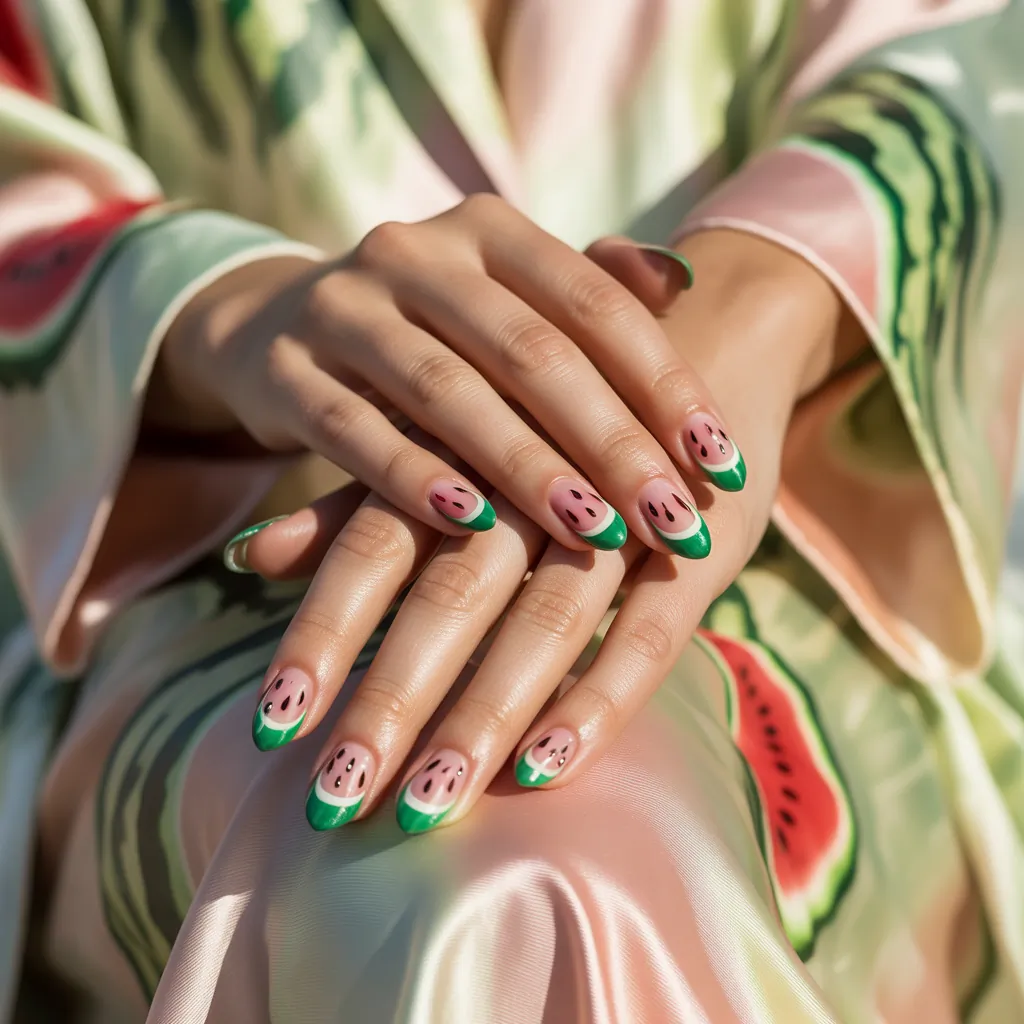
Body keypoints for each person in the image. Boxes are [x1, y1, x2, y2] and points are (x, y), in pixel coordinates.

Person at [1, 0, 1023, 1019]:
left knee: (567, 860)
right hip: (196, 594)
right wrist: (223, 309)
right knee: (423, 865)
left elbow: (977, 61)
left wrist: (765, 295)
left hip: (799, 584)